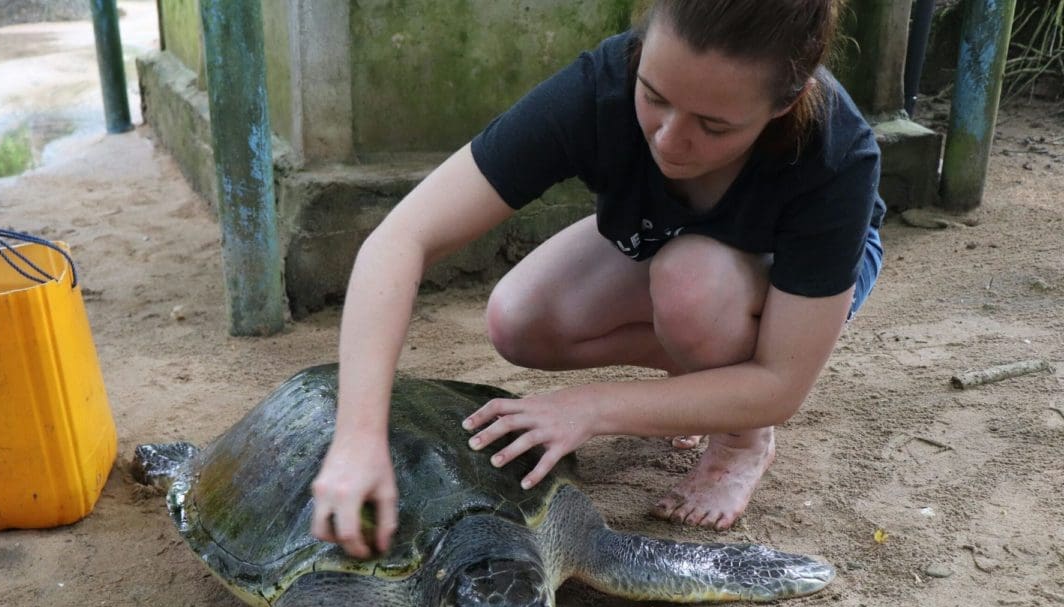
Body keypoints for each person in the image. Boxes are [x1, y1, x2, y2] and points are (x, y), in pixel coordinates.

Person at [310, 0, 884, 558]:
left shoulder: (836, 154)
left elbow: (781, 384)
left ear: (787, 102)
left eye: (714, 127)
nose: (668, 140)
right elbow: (400, 237)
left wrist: (590, 407)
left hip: (780, 281)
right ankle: (705, 390)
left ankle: (740, 437)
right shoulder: (599, 85)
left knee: (693, 287)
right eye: (655, 97)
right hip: (666, 237)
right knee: (519, 319)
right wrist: (357, 437)